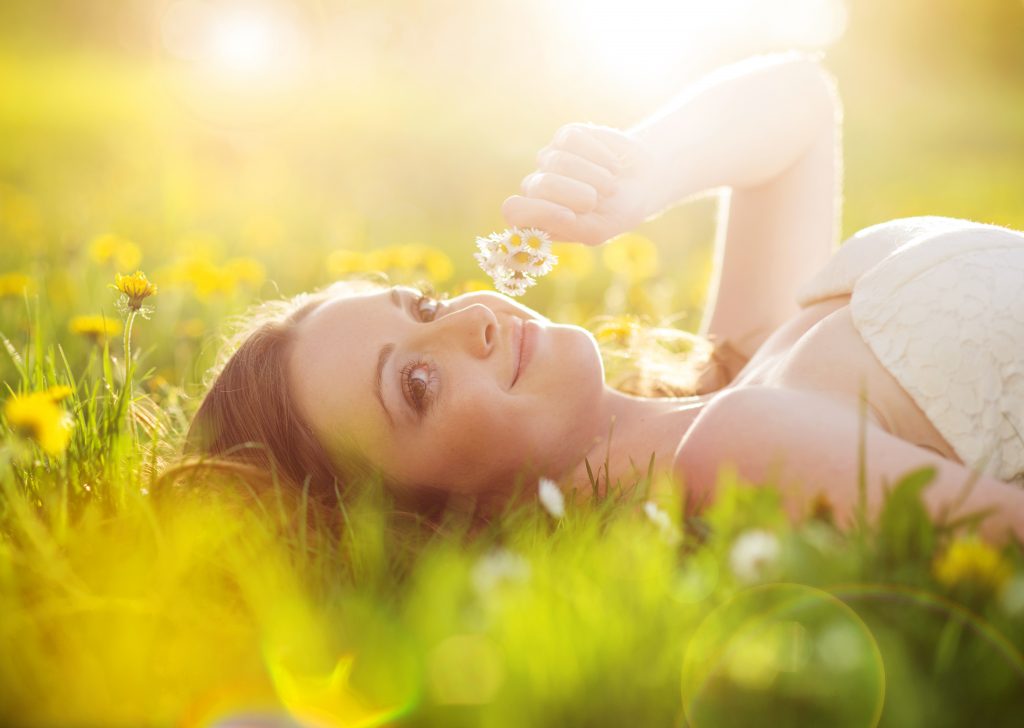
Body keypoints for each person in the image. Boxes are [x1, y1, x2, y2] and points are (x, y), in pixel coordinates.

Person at [182, 53, 1024, 543]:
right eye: (416, 386)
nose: (471, 321)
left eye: (427, 307)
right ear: (435, 521)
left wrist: (645, 169)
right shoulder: (735, 445)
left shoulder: (735, 383)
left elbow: (799, 107)